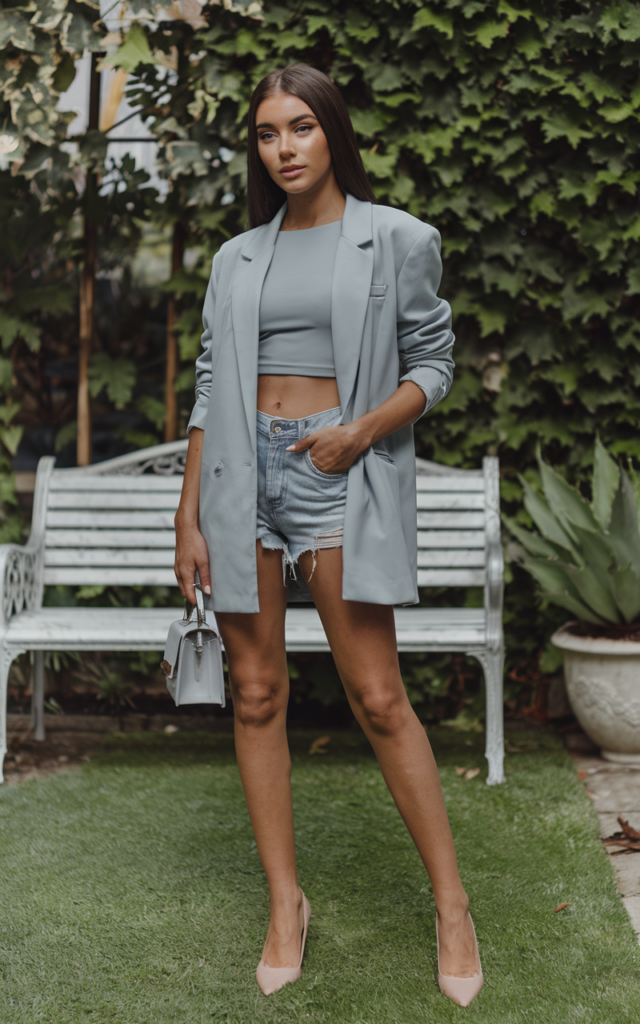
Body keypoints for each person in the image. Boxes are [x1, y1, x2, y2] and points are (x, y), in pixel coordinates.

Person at [174, 63, 483, 1008]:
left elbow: (436, 364)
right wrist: (189, 514)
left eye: (300, 127)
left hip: (333, 471)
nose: (285, 148)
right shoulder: (236, 256)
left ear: (331, 132)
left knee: (379, 696)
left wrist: (360, 432)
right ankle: (285, 906)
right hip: (238, 478)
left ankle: (452, 907)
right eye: (268, 134)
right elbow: (212, 382)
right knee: (256, 691)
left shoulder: (395, 239)